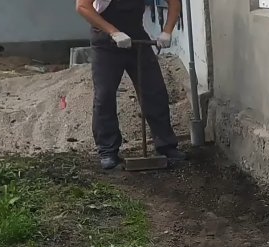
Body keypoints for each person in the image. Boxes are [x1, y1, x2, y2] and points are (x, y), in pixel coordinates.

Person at [75, 0, 186, 169]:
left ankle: (166, 145)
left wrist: (167, 31)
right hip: (105, 41)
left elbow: (174, 2)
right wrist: (113, 32)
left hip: (136, 36)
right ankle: (108, 151)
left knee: (154, 90)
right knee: (105, 95)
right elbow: (82, 7)